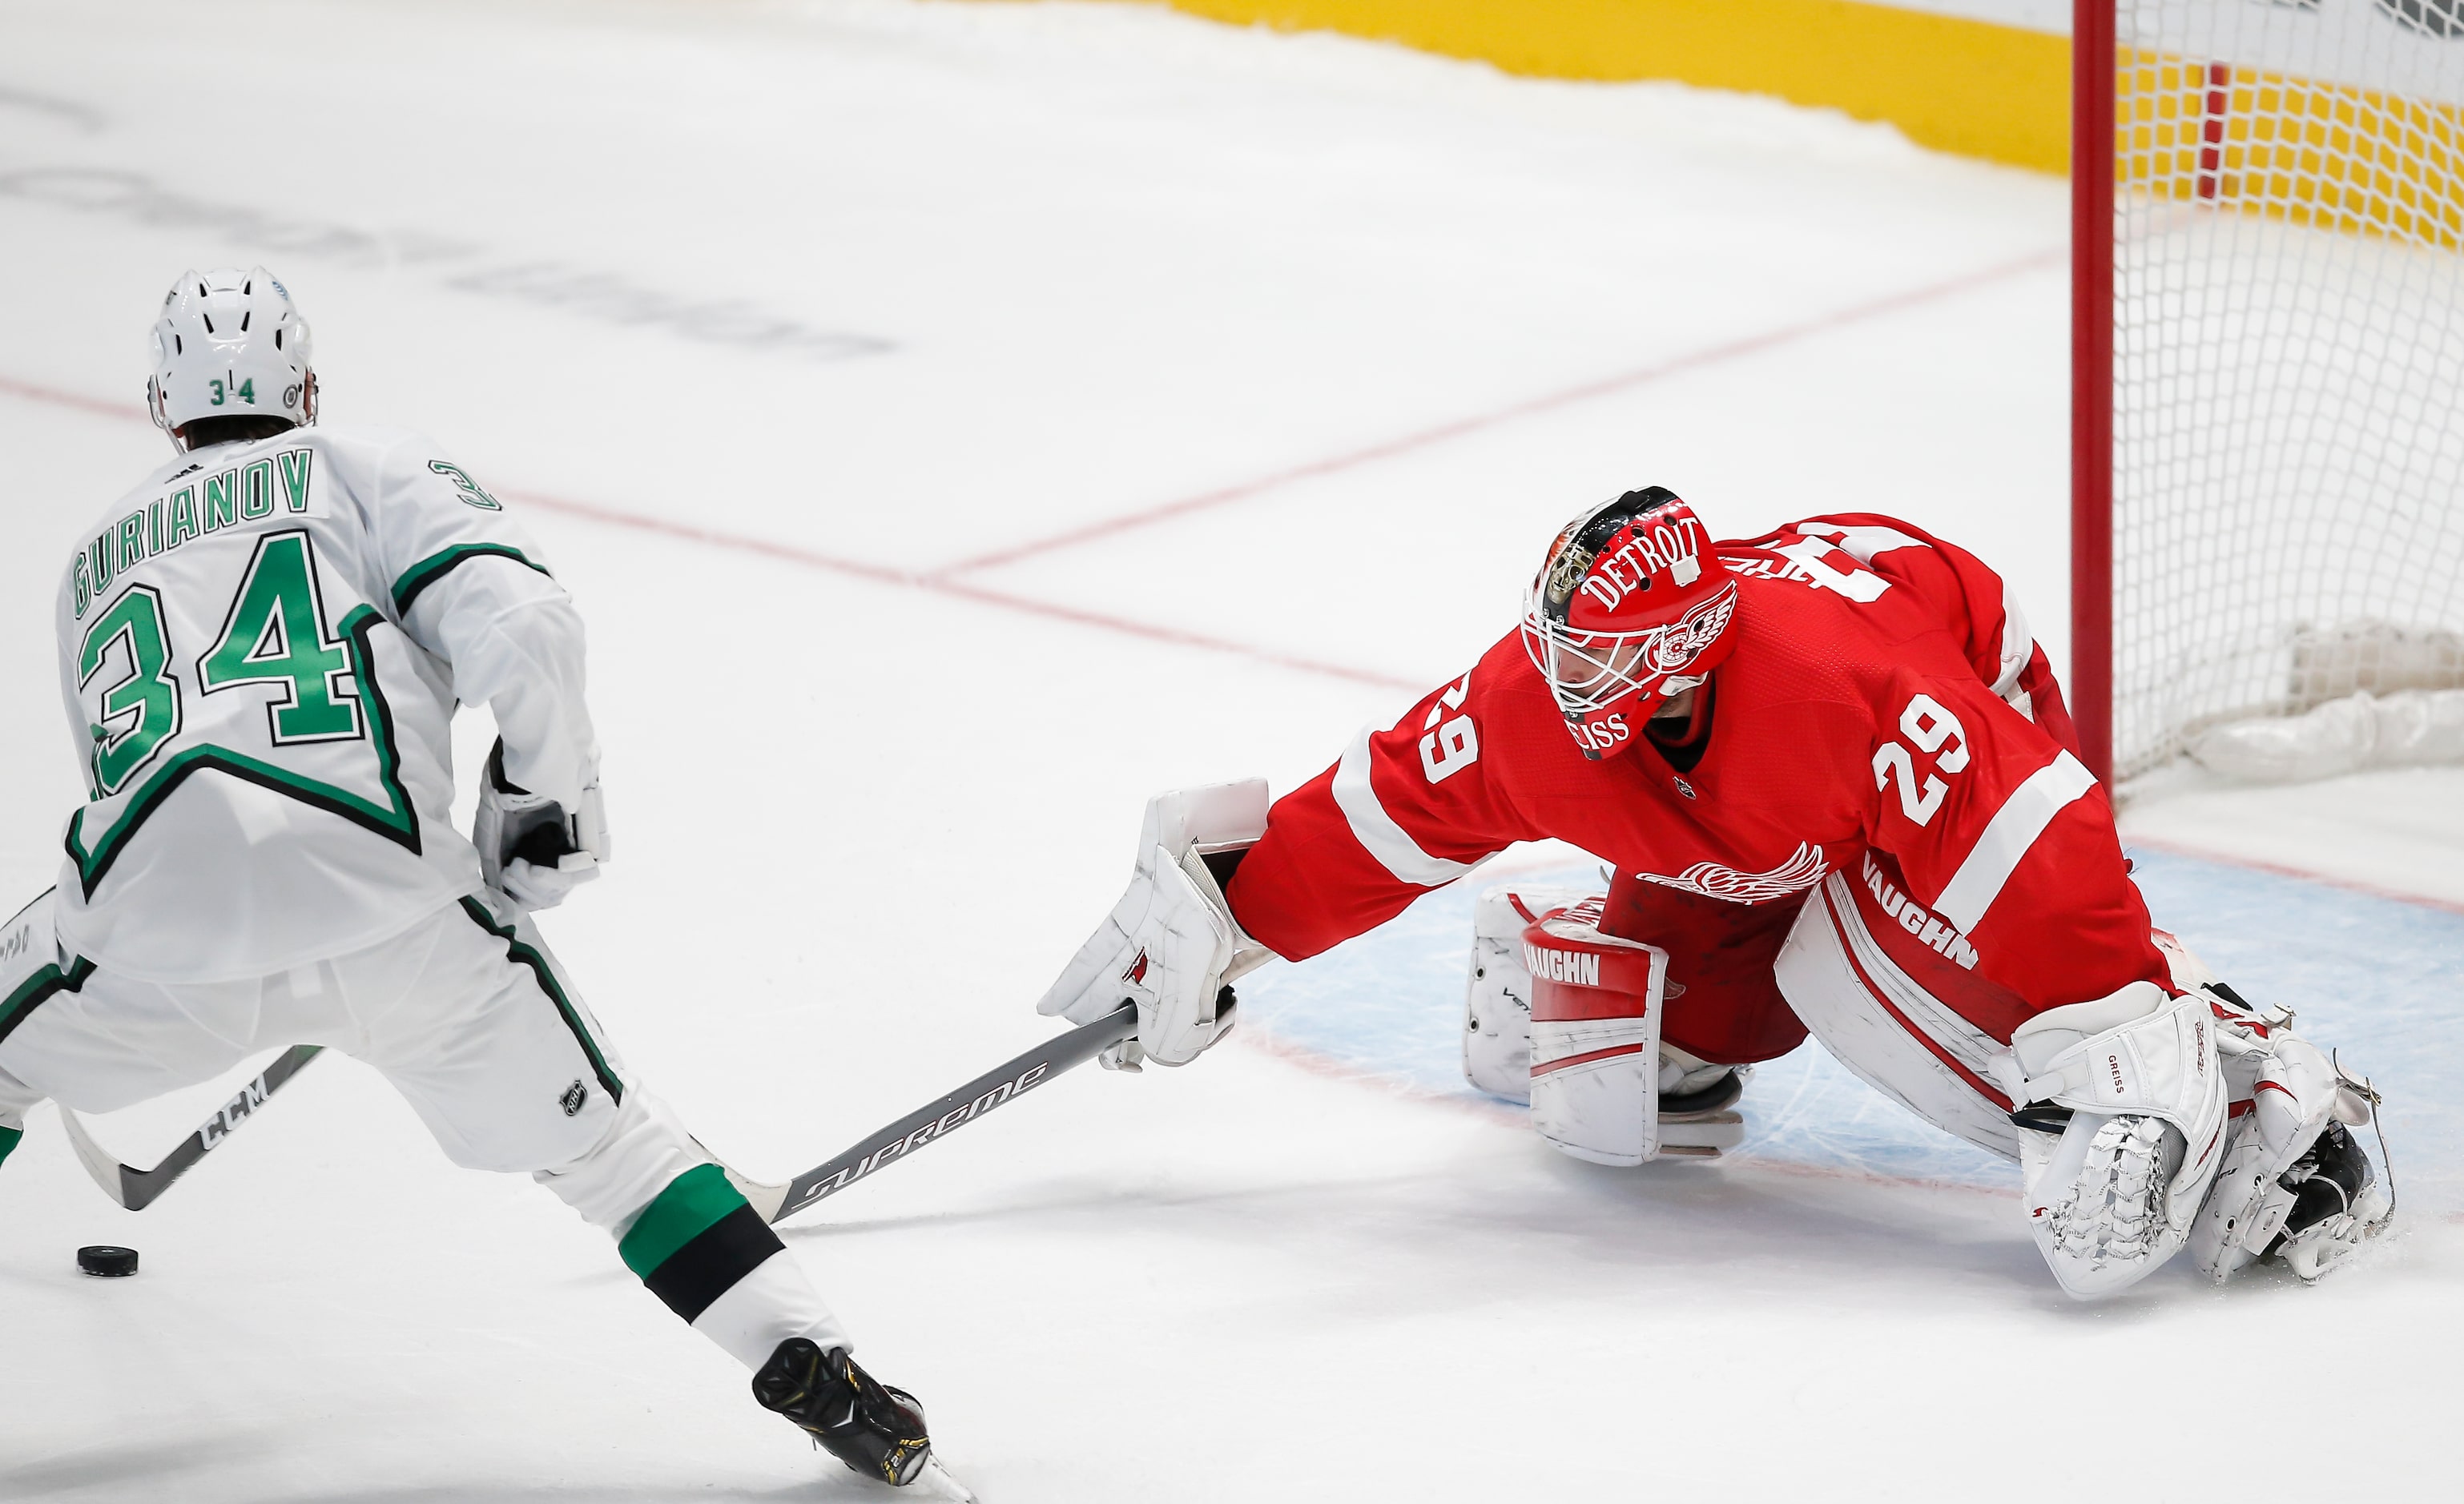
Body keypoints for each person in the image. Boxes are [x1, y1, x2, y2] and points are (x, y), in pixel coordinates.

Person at [0, 267, 958, 1492]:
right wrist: (541, 802)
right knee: (617, 1155)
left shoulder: (89, 559)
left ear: (157, 403)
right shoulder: (365, 464)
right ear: (305, 384)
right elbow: (531, 627)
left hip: (151, 947)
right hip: (403, 923)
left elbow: (130, 781)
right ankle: (820, 1370)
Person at [1037, 485, 2391, 1299]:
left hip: (1970, 693)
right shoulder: (1540, 703)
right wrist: (1229, 916)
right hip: (1777, 810)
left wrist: (2124, 1043)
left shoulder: (1846, 697)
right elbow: (1387, 810)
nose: (1561, 690)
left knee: (1856, 977)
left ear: (1686, 653)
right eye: (1559, 652)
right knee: (1643, 1052)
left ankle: (2263, 1097)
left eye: (1601, 665)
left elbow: (2035, 836)